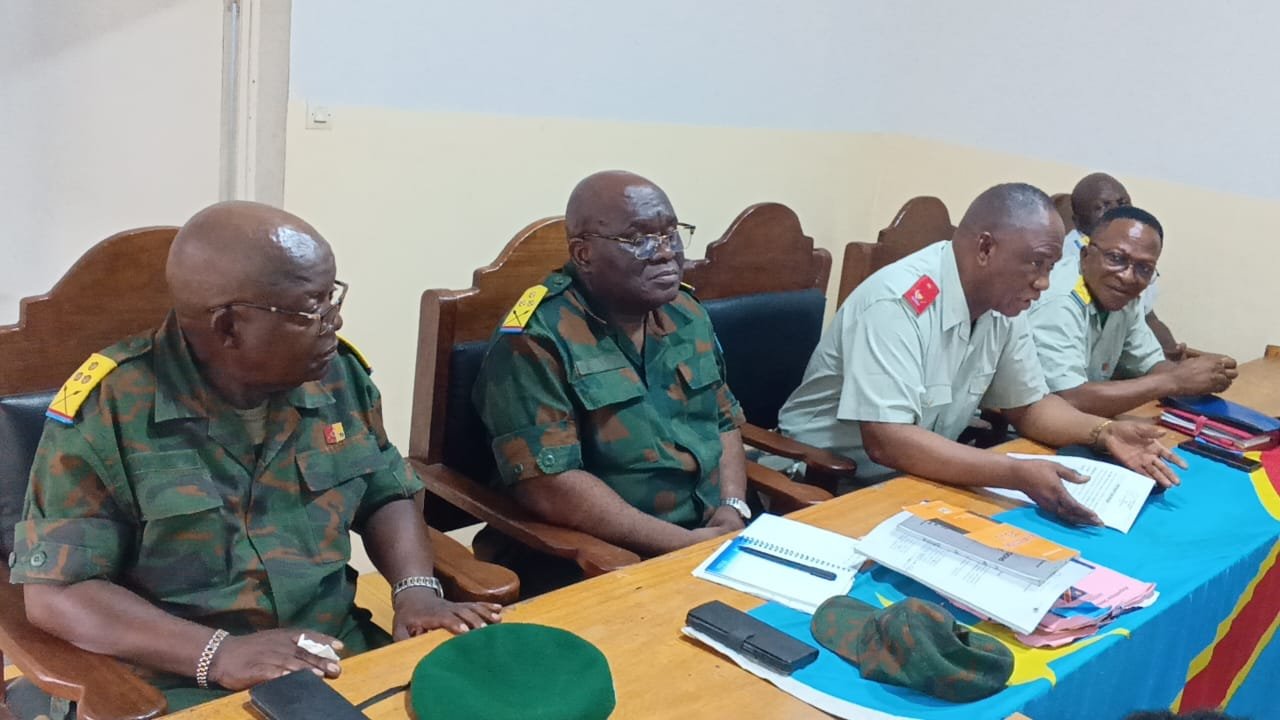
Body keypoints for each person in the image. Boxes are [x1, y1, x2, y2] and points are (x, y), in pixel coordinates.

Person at [9, 201, 501, 713]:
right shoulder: (109, 410)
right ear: (227, 326)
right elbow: (58, 594)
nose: (333, 321)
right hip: (173, 679)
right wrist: (217, 653)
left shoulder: (336, 376)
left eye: (331, 298)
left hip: (334, 652)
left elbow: (385, 492)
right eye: (311, 310)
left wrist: (416, 589)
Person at [776, 183, 1186, 526]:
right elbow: (888, 440)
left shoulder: (1003, 305)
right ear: (986, 248)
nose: (1044, 283)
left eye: (1050, 267)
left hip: (916, 480)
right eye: (1036, 264)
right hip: (826, 481)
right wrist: (1013, 473)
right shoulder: (899, 302)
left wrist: (1103, 432)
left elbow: (1030, 406)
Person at [473, 170, 751, 562]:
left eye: (670, 233)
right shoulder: (536, 337)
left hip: (711, 537)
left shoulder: (687, 312)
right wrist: (683, 545)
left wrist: (732, 506)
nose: (665, 252)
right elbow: (549, 486)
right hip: (601, 557)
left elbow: (723, 420)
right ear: (583, 254)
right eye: (639, 239)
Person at [1029, 205, 1237, 416]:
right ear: (1085, 256)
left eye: (1144, 268)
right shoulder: (1059, 301)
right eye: (1116, 258)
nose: (1128, 277)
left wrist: (1202, 375)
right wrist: (1175, 381)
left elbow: (1151, 364)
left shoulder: (1123, 296)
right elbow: (1070, 398)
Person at [1050, 172, 1184, 359]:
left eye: (1122, 203)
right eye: (1102, 207)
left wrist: (1174, 357)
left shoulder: (1135, 265)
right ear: (1085, 256)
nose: (1114, 211)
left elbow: (1147, 317)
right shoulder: (1063, 266)